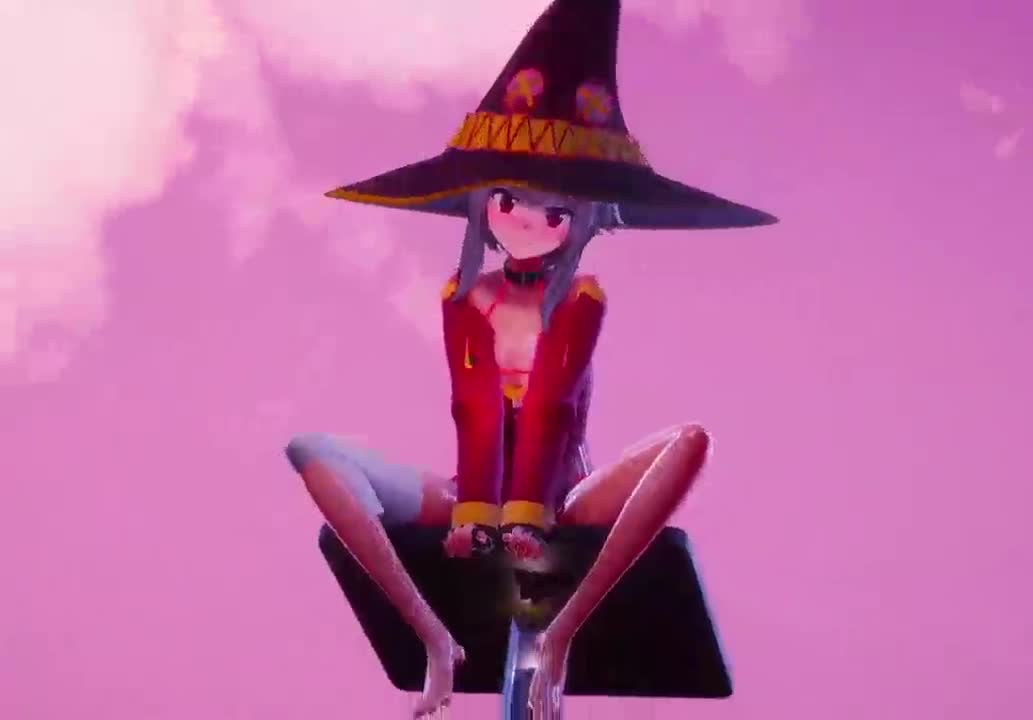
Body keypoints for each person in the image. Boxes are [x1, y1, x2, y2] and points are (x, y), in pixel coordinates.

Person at [284, 0, 775, 716]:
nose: (530, 223)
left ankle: (563, 630)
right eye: (510, 201)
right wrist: (475, 517)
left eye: (557, 212)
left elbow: (550, 401)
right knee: (312, 452)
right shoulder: (465, 297)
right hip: (472, 490)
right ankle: (432, 638)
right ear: (483, 203)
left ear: (584, 220)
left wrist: (528, 521)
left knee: (690, 442)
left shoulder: (580, 299)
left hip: (562, 495)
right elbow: (473, 403)